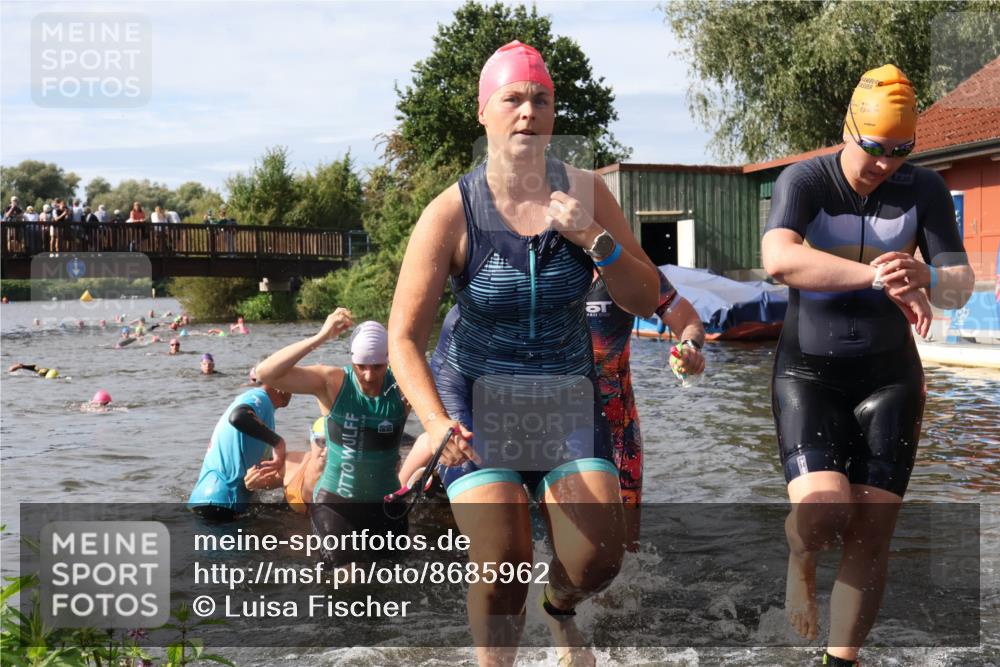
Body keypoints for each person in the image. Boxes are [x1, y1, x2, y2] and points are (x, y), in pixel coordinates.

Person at [387, 41, 660, 666]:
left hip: (564, 390)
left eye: (541, 99)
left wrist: (594, 240)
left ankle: (559, 609)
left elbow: (645, 296)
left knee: (598, 562)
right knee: (504, 563)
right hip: (474, 397)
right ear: (485, 112)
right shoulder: (451, 213)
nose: (527, 111)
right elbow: (403, 337)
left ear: (554, 114)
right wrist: (433, 424)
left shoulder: (588, 193)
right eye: (512, 98)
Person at [761, 65, 974, 667]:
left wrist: (929, 274)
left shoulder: (923, 189)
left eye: (901, 151)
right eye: (875, 148)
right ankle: (800, 556)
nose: (886, 164)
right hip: (809, 374)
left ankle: (840, 659)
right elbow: (778, 258)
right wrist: (878, 275)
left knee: (872, 534)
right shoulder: (805, 180)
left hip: (890, 377)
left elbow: (959, 285)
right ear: (848, 129)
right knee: (824, 513)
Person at [255, 313, 411, 565]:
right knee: (348, 578)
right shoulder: (332, 382)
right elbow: (266, 373)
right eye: (361, 366)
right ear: (352, 361)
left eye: (377, 366)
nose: (369, 375)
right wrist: (321, 337)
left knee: (390, 583)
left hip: (386, 505)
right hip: (336, 504)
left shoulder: (403, 386)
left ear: (388, 360)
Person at [587, 270, 705, 550]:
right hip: (555, 426)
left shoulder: (627, 264)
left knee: (625, 554)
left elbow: (688, 320)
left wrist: (688, 348)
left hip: (620, 430)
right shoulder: (541, 265)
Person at [187, 382, 292, 521]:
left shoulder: (259, 406)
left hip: (211, 501)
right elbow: (238, 417)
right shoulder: (261, 398)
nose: (293, 392)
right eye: (293, 384)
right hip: (223, 503)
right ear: (279, 383)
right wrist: (279, 443)